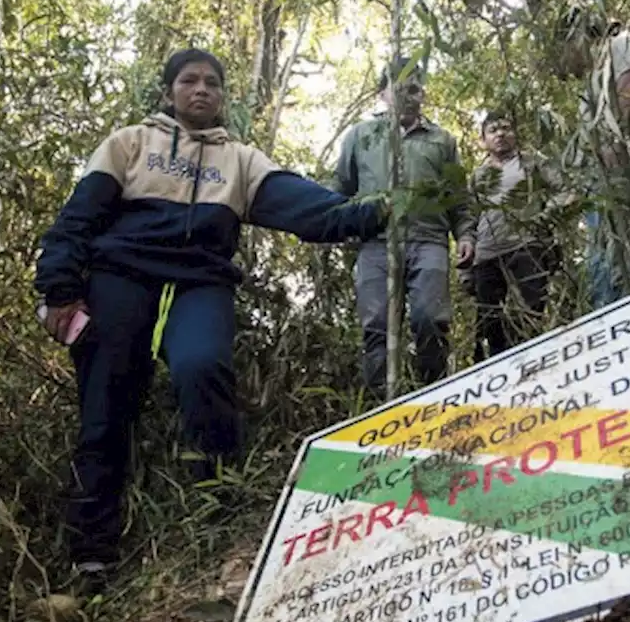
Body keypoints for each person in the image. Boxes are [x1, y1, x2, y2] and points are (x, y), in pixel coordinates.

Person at [34, 48, 386, 590]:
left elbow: (309, 209)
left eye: (213, 84)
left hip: (199, 281)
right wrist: (60, 289)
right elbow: (76, 219)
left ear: (223, 97)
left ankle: (216, 519)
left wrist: (383, 208)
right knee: (106, 403)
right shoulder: (130, 144)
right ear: (168, 90)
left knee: (204, 369)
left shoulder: (240, 160)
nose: (201, 90)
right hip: (121, 277)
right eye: (189, 81)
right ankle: (91, 555)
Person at [333, 58, 474, 395]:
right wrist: (330, 225)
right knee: (377, 326)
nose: (409, 95)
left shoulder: (441, 140)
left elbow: (457, 194)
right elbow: (340, 186)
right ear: (383, 93)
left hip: (429, 241)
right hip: (374, 243)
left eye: (415, 88)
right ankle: (382, 404)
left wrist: (466, 233)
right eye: (400, 88)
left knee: (430, 319)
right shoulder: (361, 136)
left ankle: (433, 396)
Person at [567, 11, 630, 309]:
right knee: (602, 253)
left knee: (617, 255)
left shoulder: (622, 46)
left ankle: (623, 315)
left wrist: (616, 148)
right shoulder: (598, 65)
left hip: (618, 164)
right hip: (598, 170)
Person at [465, 111, 573, 360]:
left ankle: (532, 365)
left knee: (530, 312)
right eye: (493, 130)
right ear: (483, 140)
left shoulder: (532, 162)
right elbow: (469, 220)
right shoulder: (478, 176)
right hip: (487, 254)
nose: (500, 133)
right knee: (489, 322)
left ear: (515, 135)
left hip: (527, 245)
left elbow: (565, 190)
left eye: (506, 128)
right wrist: (465, 269)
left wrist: (545, 217)